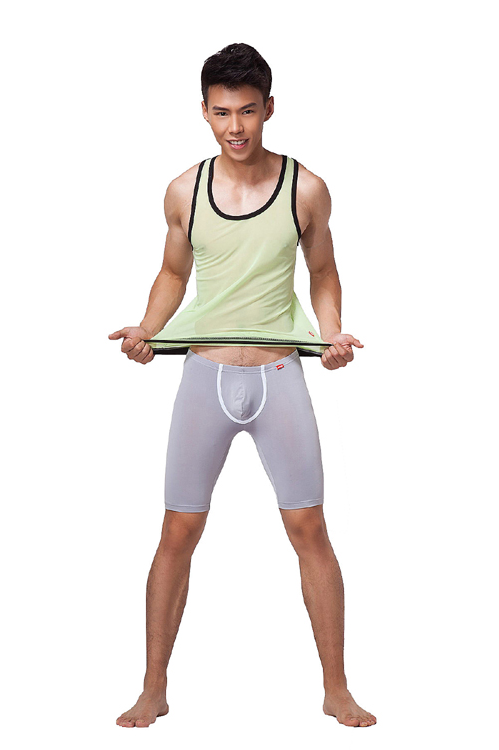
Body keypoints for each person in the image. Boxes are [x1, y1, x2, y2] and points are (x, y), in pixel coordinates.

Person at [109, 42, 376, 729]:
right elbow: (173, 273)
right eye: (223, 112)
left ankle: (337, 688)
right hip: (204, 375)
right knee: (177, 530)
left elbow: (323, 271)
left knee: (309, 527)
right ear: (204, 111)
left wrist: (332, 332)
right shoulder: (184, 190)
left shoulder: (306, 188)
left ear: (269, 109)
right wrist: (147, 329)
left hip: (279, 374)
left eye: (249, 111)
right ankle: (153, 688)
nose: (236, 126)